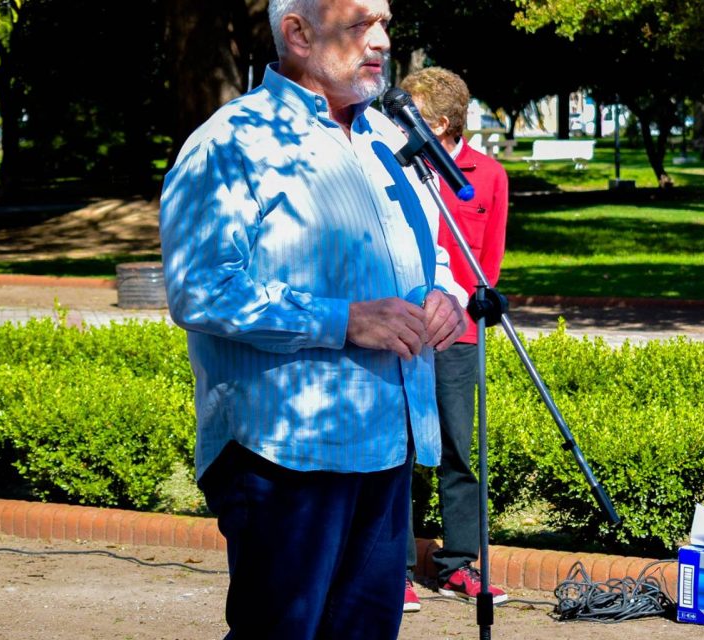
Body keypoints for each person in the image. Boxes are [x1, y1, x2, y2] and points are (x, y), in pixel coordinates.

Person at [157, 0, 467, 636]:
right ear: (296, 33)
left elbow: (432, 252)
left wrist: (445, 296)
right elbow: (200, 289)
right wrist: (343, 320)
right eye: (359, 24)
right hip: (285, 453)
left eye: (384, 22)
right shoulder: (230, 142)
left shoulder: (388, 141)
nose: (380, 40)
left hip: (388, 441)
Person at [396, 66, 510, 612]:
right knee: (395, 452)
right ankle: (390, 568)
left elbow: (488, 263)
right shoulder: (392, 169)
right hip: (397, 333)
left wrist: (455, 312)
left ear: (439, 122)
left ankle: (458, 564)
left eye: (411, 111)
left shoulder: (487, 175)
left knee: (459, 451)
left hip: (457, 338)